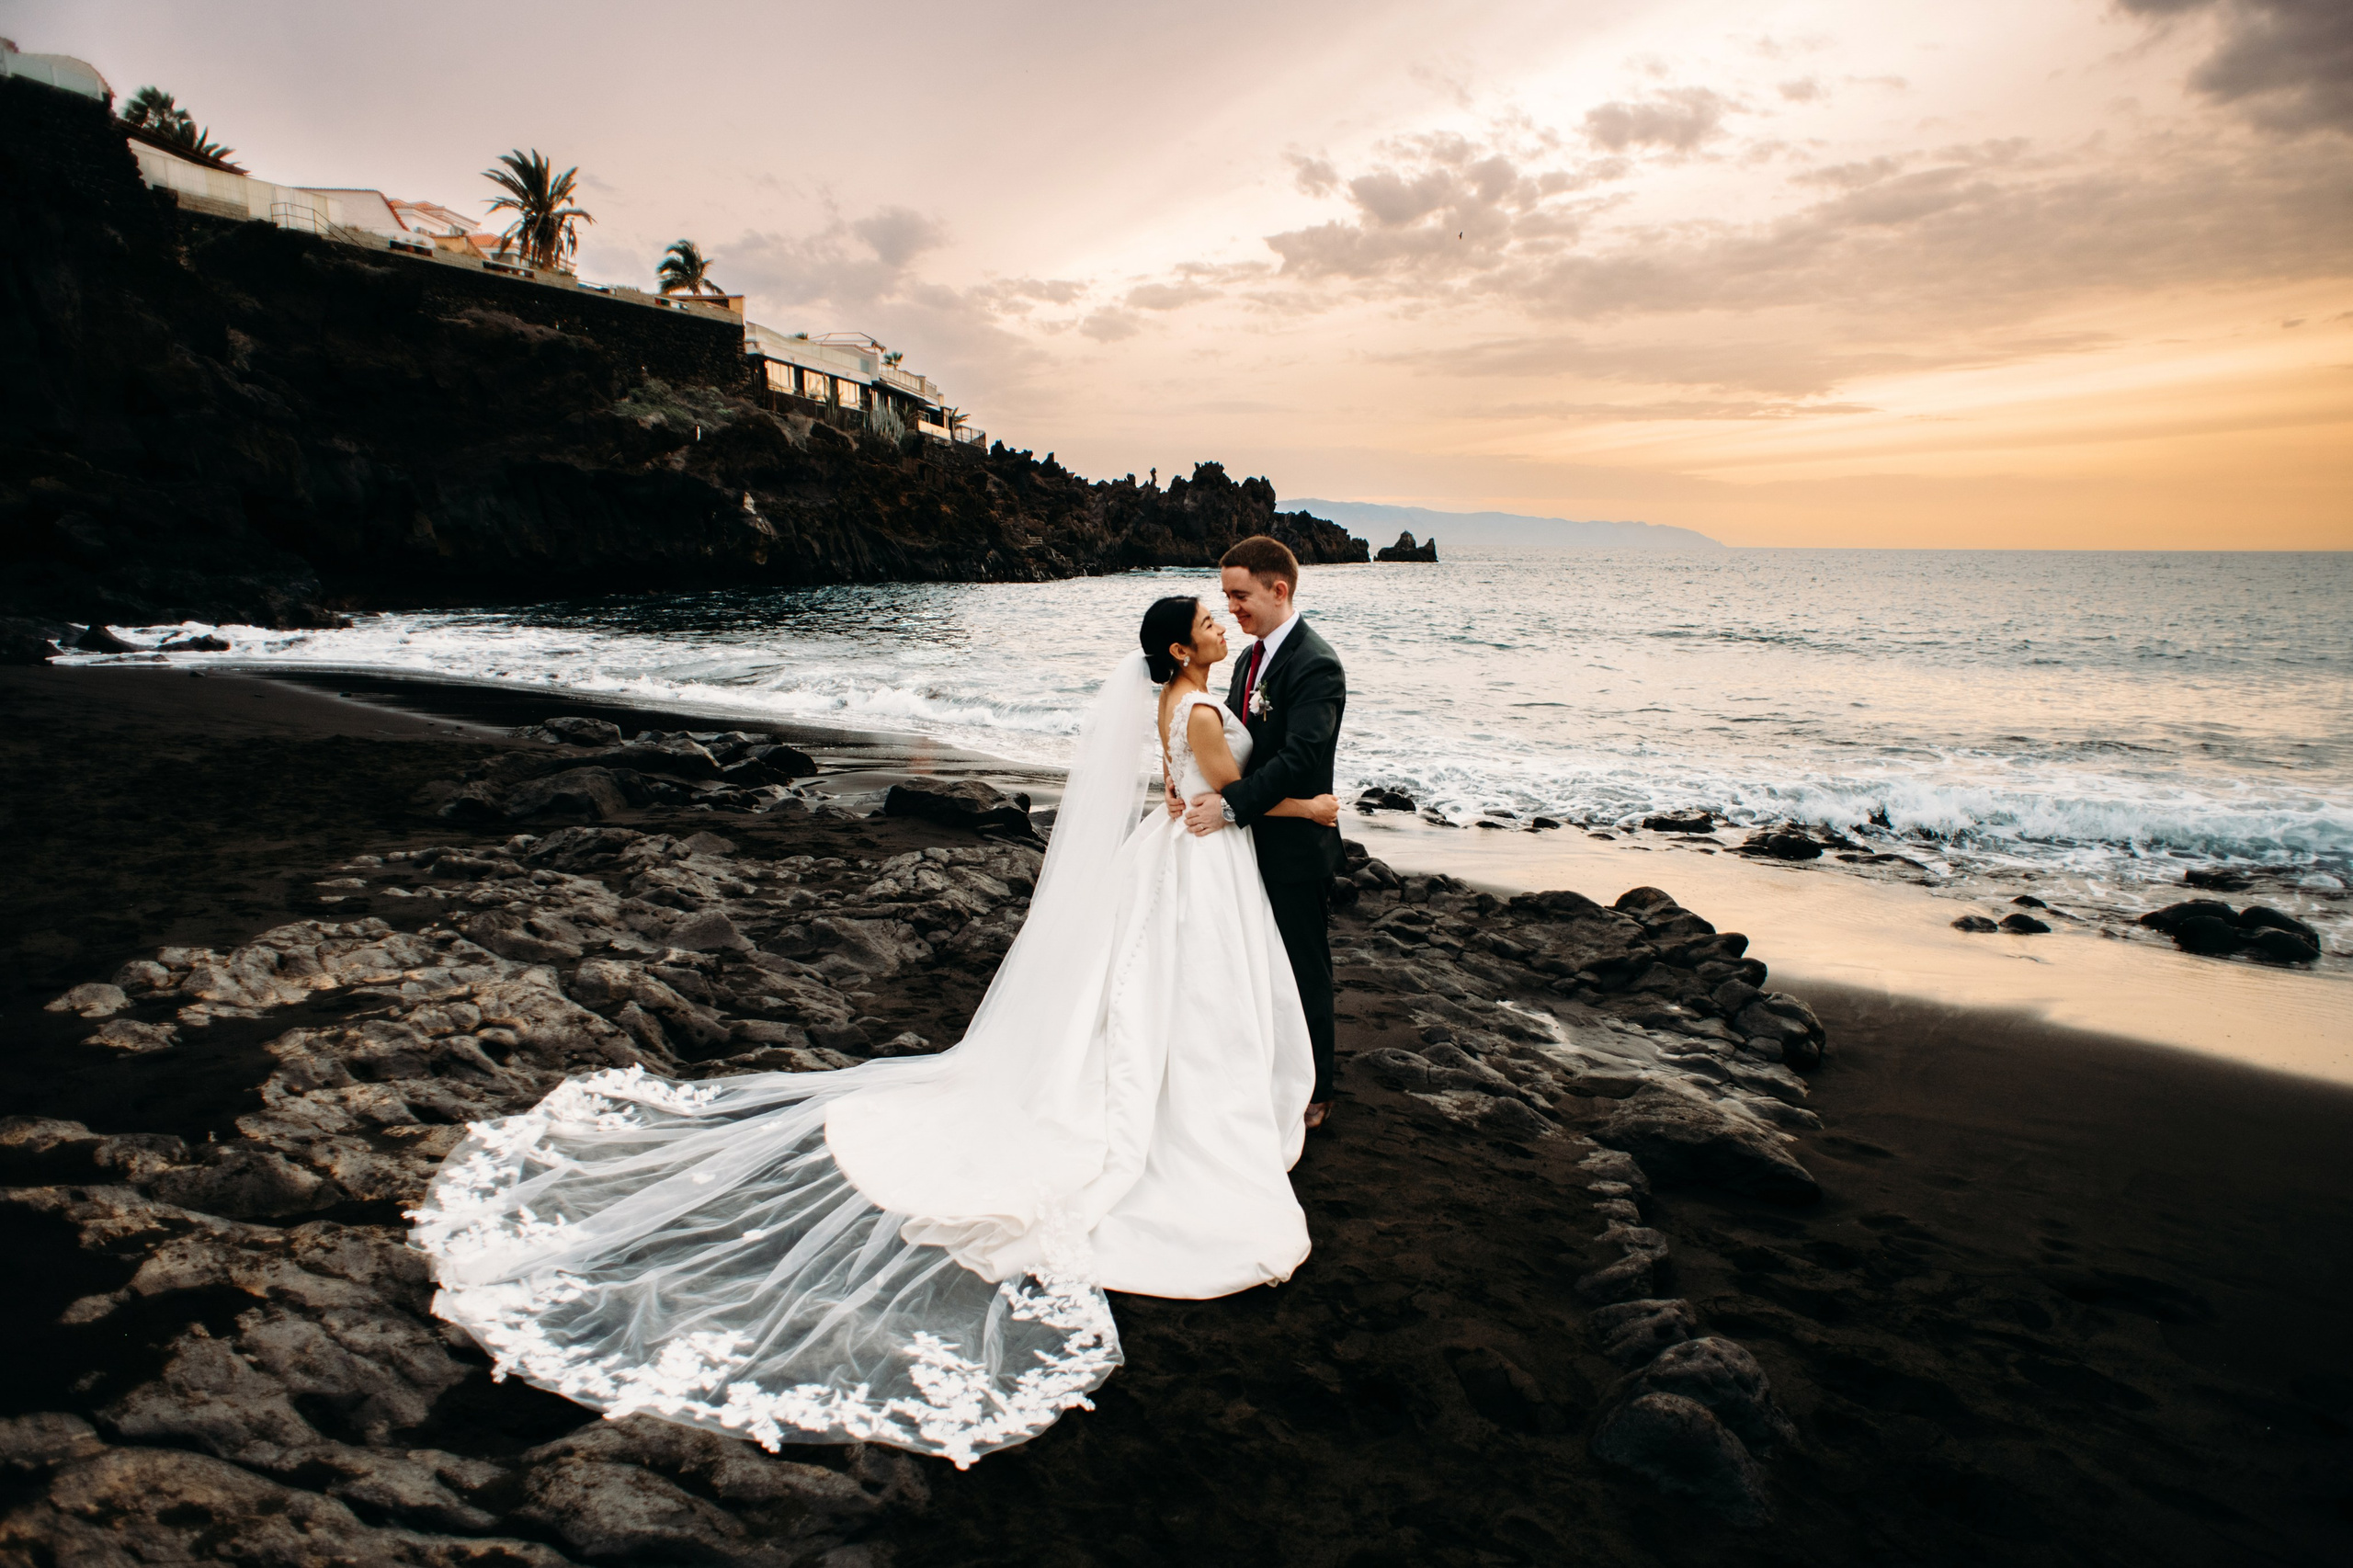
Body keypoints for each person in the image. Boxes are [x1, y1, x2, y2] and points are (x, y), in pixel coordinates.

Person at [407, 593, 1341, 1470]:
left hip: (1176, 851)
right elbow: (1226, 798)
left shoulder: (1178, 701)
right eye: (1207, 621)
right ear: (1179, 648)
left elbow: (1201, 790)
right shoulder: (1205, 713)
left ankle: (1181, 1080)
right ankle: (1194, 1101)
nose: (1222, 626)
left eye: (1226, 613)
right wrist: (1313, 805)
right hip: (1197, 859)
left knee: (1149, 994)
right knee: (1183, 991)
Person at [1173, 536, 1348, 1131]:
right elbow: (1227, 744)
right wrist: (1188, 781)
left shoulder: (1316, 664)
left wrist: (1227, 808)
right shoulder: (1247, 661)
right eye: (1225, 597)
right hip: (1245, 843)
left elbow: (1299, 758)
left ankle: (1318, 1088)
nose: (1232, 609)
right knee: (1255, 966)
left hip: (1294, 850)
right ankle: (1266, 1069)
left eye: (1240, 595)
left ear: (1280, 590)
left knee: (1303, 968)